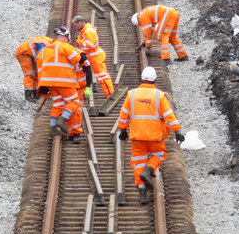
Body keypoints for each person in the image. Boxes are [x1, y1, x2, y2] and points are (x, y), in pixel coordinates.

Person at [117, 66, 184, 203]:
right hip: (154, 136)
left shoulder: (132, 94)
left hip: (137, 136)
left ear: (142, 78)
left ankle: (142, 191)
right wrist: (177, 131)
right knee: (159, 155)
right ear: (154, 80)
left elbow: (123, 115)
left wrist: (123, 130)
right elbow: (168, 116)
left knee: (138, 161)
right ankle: (149, 169)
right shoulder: (159, 96)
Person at [36, 26, 91, 137]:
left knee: (57, 104)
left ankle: (52, 126)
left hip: (48, 82)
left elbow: (38, 62)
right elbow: (76, 58)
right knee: (74, 101)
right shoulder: (65, 46)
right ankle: (63, 119)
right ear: (65, 38)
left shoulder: (45, 49)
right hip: (63, 81)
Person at [72, 15, 114, 98]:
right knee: (102, 77)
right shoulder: (85, 31)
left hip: (95, 57)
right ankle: (110, 95)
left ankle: (110, 96)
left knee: (103, 77)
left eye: (76, 25)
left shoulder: (88, 31)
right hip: (93, 57)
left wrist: (79, 41)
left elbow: (90, 45)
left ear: (80, 23)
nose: (75, 28)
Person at [15, 35, 53, 102]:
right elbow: (38, 57)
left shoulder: (50, 44)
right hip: (23, 53)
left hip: (29, 53)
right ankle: (28, 94)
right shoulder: (45, 46)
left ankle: (36, 94)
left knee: (36, 73)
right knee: (29, 73)